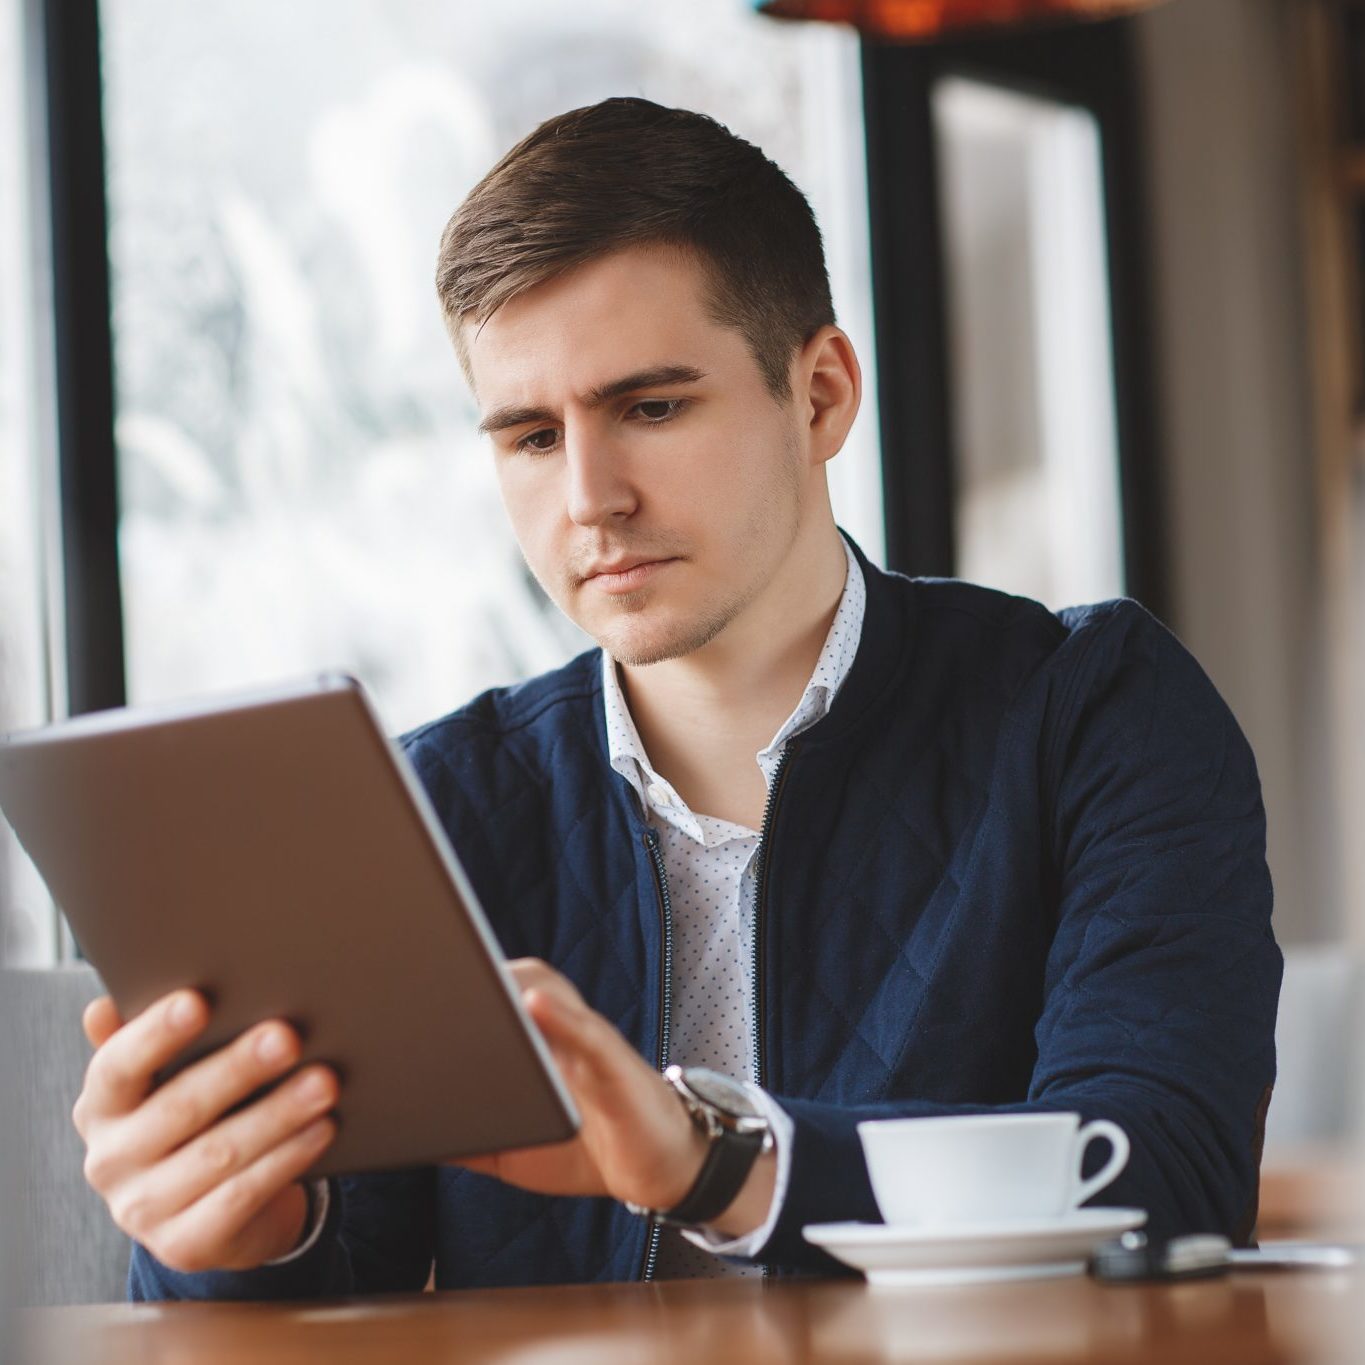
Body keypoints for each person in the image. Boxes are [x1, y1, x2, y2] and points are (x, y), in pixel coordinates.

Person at [71, 97, 1281, 1299]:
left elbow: (1160, 1177)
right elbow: (345, 1288)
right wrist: (244, 1238)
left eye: (649, 408)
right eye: (533, 438)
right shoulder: (430, 807)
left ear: (819, 396)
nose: (591, 497)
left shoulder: (1093, 714)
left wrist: (715, 1164)